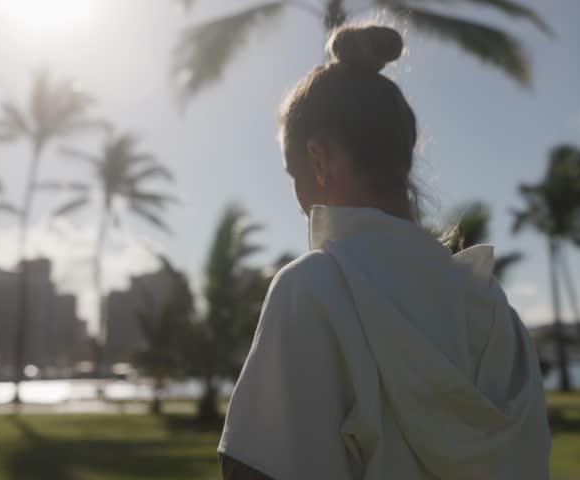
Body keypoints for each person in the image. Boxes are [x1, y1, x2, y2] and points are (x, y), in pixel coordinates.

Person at [219, 24, 551, 480]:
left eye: (293, 174)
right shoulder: (493, 307)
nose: (297, 200)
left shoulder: (313, 290)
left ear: (318, 160)